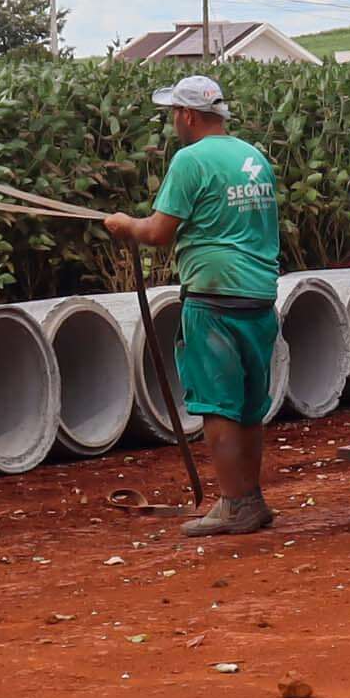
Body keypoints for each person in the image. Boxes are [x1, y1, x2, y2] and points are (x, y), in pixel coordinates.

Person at [100, 72, 284, 539]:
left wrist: (125, 226)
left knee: (217, 403)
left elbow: (159, 233)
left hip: (213, 296)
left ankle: (234, 504)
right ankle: (251, 499)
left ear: (186, 115)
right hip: (259, 294)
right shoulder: (253, 156)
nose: (172, 125)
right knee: (246, 404)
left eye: (172, 116)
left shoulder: (190, 160)